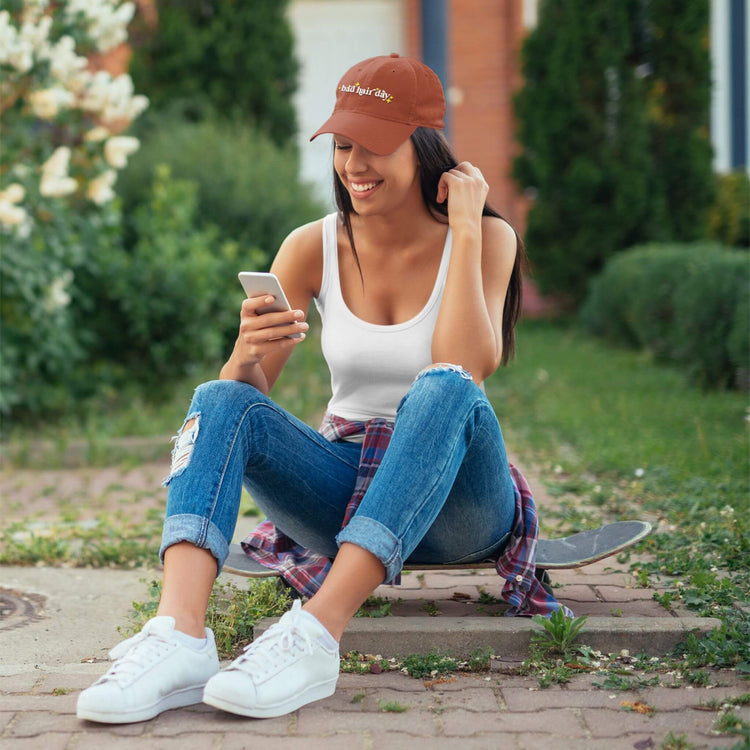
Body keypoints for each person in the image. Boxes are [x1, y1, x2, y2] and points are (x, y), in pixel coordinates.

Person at [77, 53, 568, 725]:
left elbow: (468, 366)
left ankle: (315, 635)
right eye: (343, 146)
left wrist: (462, 229)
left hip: (460, 506)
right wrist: (249, 352)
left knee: (444, 385)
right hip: (341, 494)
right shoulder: (312, 245)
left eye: (375, 148)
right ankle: (179, 637)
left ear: (426, 150)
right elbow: (244, 402)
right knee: (217, 398)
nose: (354, 166)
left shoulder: (484, 236)